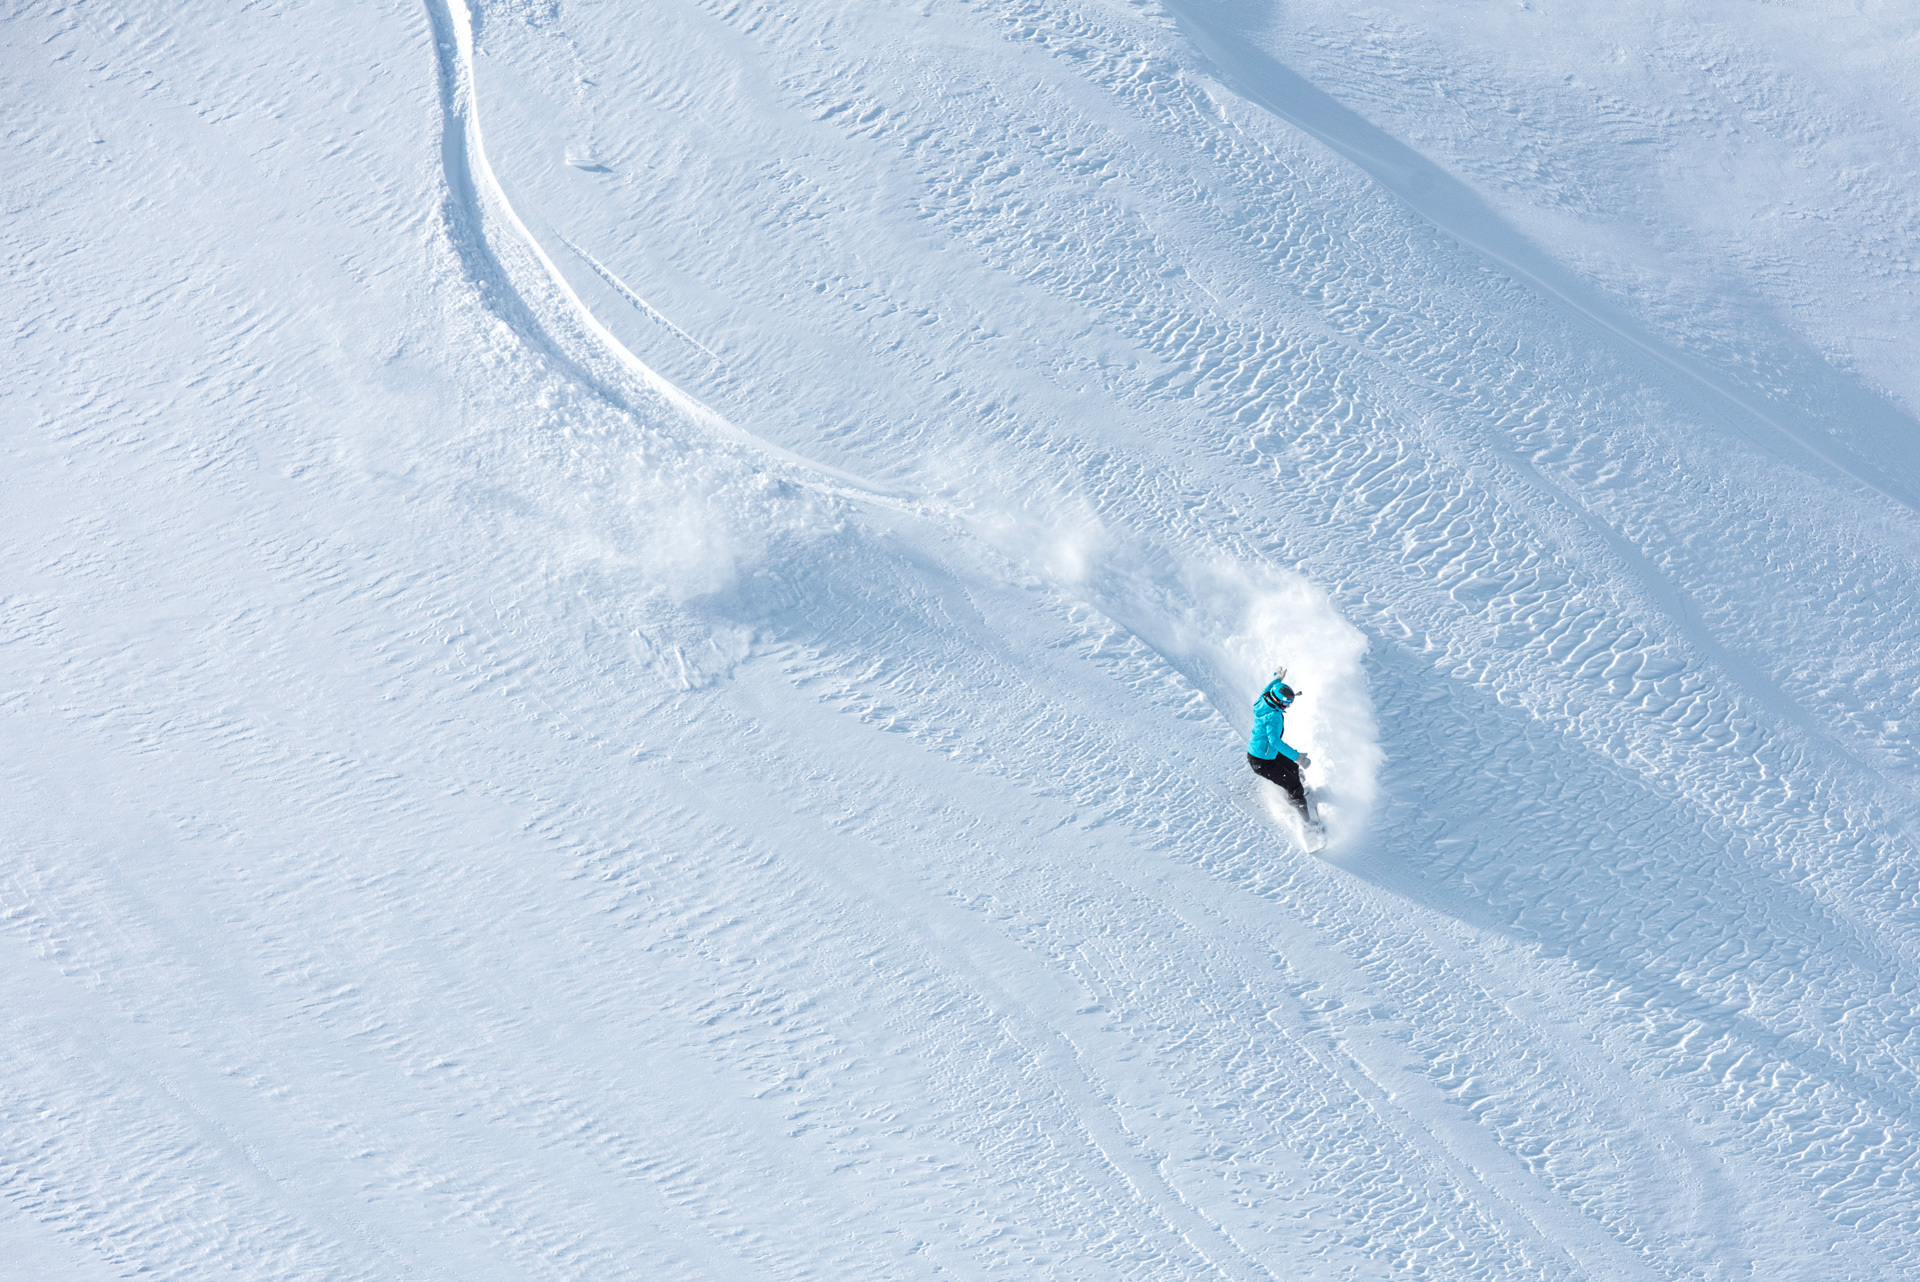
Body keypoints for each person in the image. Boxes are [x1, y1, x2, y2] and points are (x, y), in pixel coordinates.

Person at [1247, 667, 1313, 820]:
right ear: (1277, 701)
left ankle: (1295, 794)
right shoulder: (1274, 716)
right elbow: (1275, 741)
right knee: (1294, 786)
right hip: (1261, 761)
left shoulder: (1263, 700)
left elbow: (1268, 689)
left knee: (1293, 768)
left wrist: (1278, 679)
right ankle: (1306, 823)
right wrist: (1298, 756)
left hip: (1265, 753)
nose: (1287, 706)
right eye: (1286, 703)